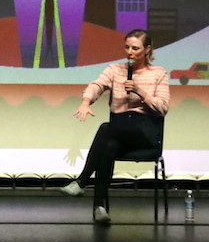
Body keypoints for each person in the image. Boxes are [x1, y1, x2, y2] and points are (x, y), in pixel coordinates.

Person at [61, 29, 170, 224]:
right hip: (119, 130)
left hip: (145, 132)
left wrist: (140, 91)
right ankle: (99, 208)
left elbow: (162, 107)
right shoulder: (115, 70)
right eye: (127, 47)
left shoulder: (158, 73)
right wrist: (86, 102)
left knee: (106, 128)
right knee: (109, 145)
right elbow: (97, 85)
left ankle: (82, 181)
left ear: (147, 49)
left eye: (135, 48)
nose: (130, 52)